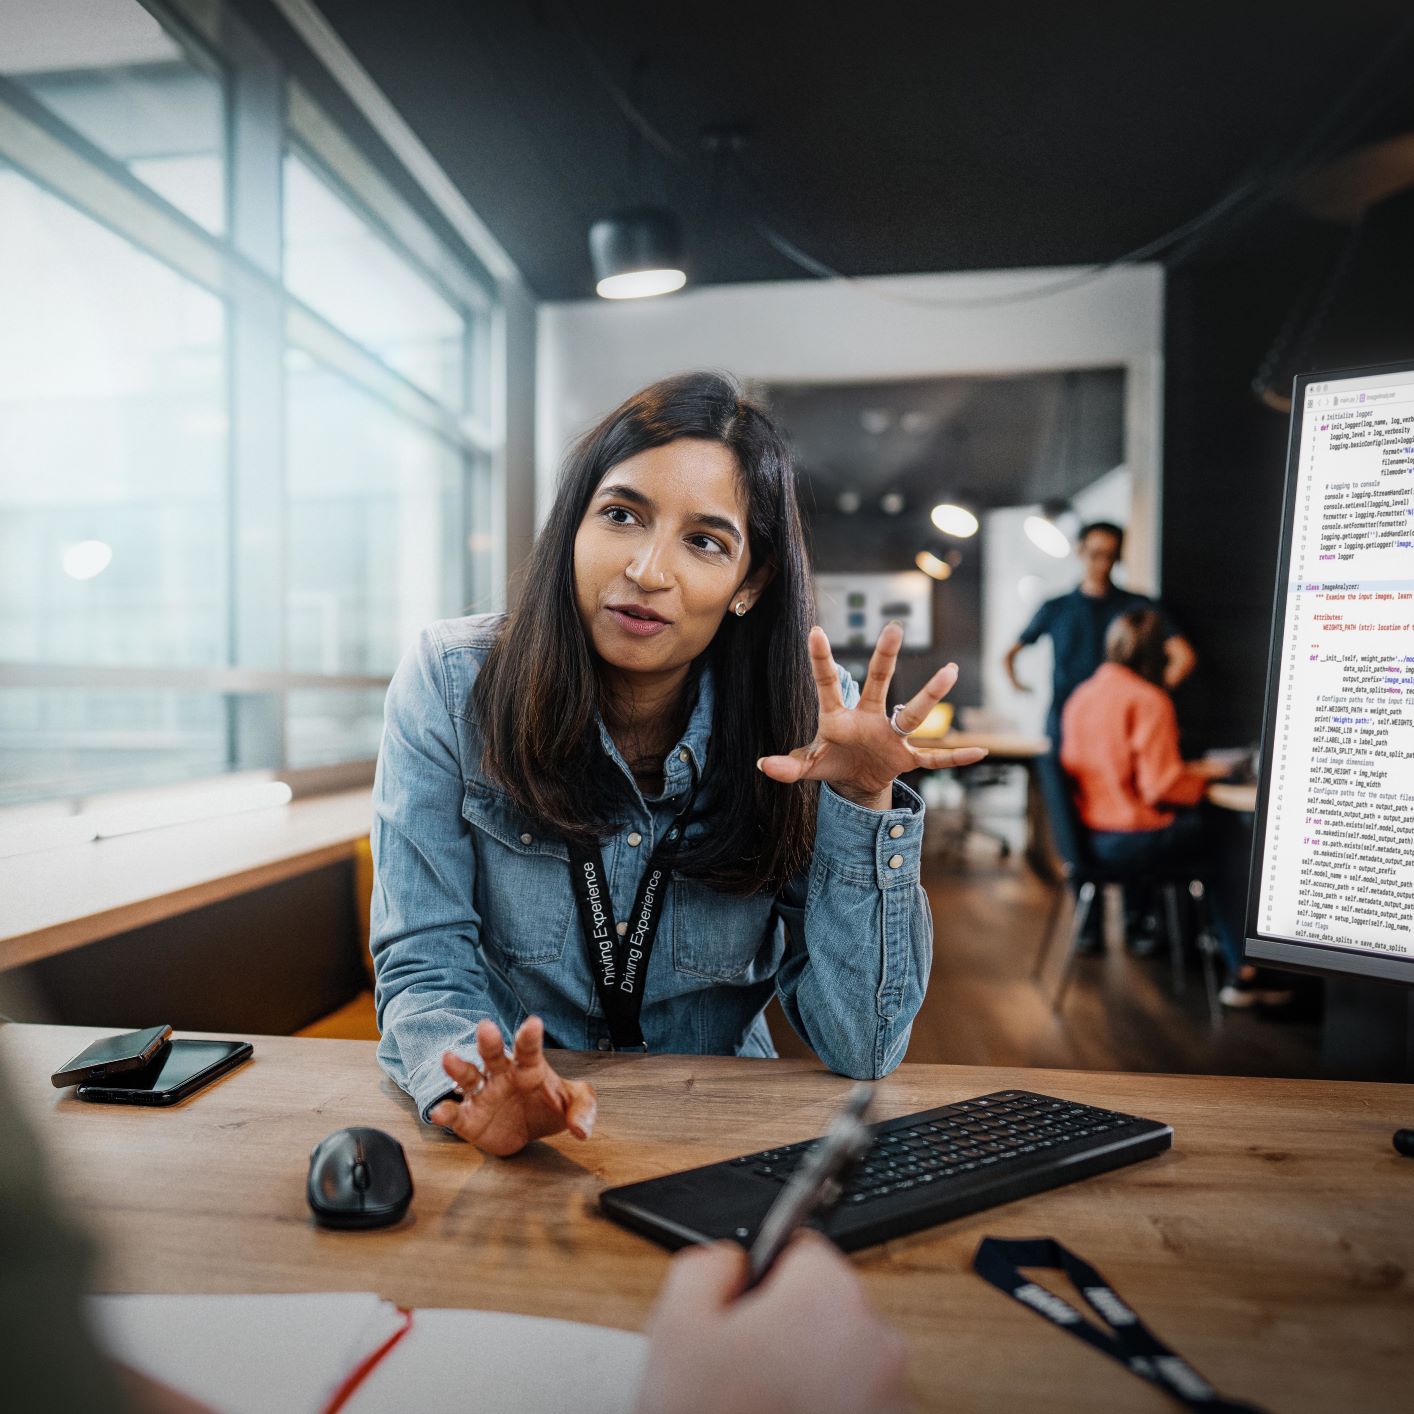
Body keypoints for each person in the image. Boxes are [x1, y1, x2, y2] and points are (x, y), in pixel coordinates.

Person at [371, 371, 985, 1154]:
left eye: (704, 541)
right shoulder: (451, 683)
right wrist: (475, 1084)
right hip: (519, 1132)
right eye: (621, 515)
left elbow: (862, 1044)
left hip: (721, 1133)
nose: (649, 571)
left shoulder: (800, 725)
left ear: (749, 583)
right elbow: (425, 961)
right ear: (572, 529)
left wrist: (864, 802)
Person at [1059, 610, 1291, 1007]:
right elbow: (1160, 786)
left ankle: (1221, 959)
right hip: (1133, 836)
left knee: (1216, 839)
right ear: (1158, 655)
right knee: (1235, 842)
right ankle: (1246, 973)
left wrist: (1186, 772)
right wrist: (1206, 778)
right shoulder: (1148, 699)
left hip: (1092, 837)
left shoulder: (1082, 696)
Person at [1004, 521, 1196, 748]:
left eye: (1110, 556)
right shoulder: (1056, 608)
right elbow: (1010, 654)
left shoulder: (1137, 607)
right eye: (1096, 554)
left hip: (1120, 728)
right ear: (1080, 551)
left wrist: (1148, 698)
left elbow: (1183, 657)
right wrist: (1018, 685)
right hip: (1065, 727)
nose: (1103, 564)